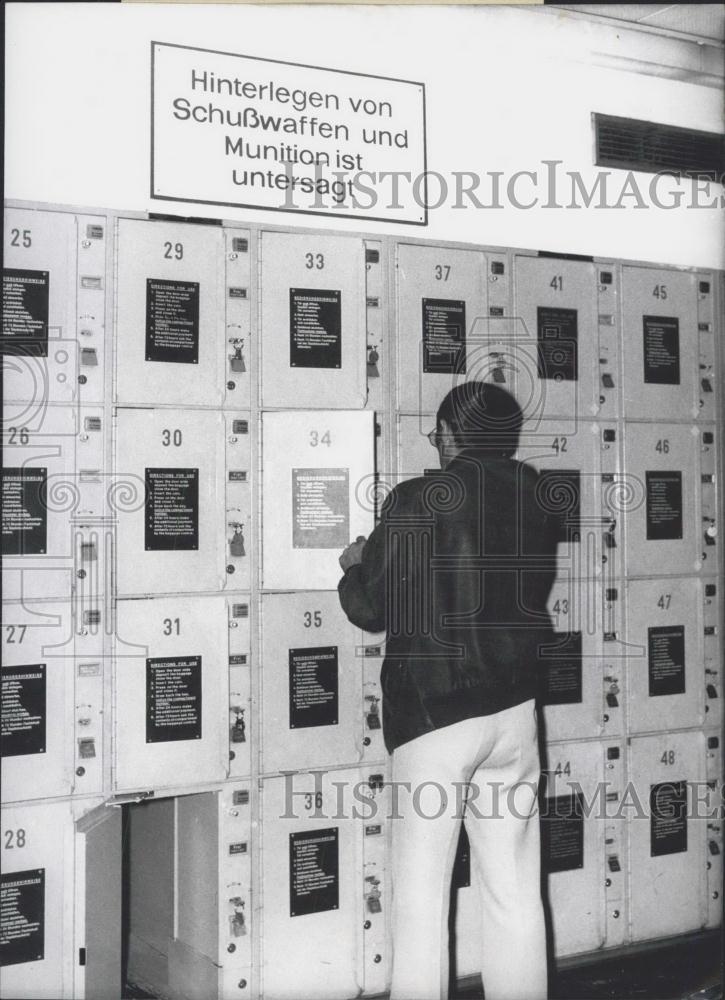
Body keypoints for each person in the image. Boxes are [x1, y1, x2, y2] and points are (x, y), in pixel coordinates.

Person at [338, 381, 560, 1000]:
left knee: (420, 896)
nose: (435, 442)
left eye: (439, 431)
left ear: (457, 434)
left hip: (436, 715)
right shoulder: (538, 495)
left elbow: (372, 606)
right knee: (515, 889)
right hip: (514, 711)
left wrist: (356, 562)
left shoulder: (417, 498)